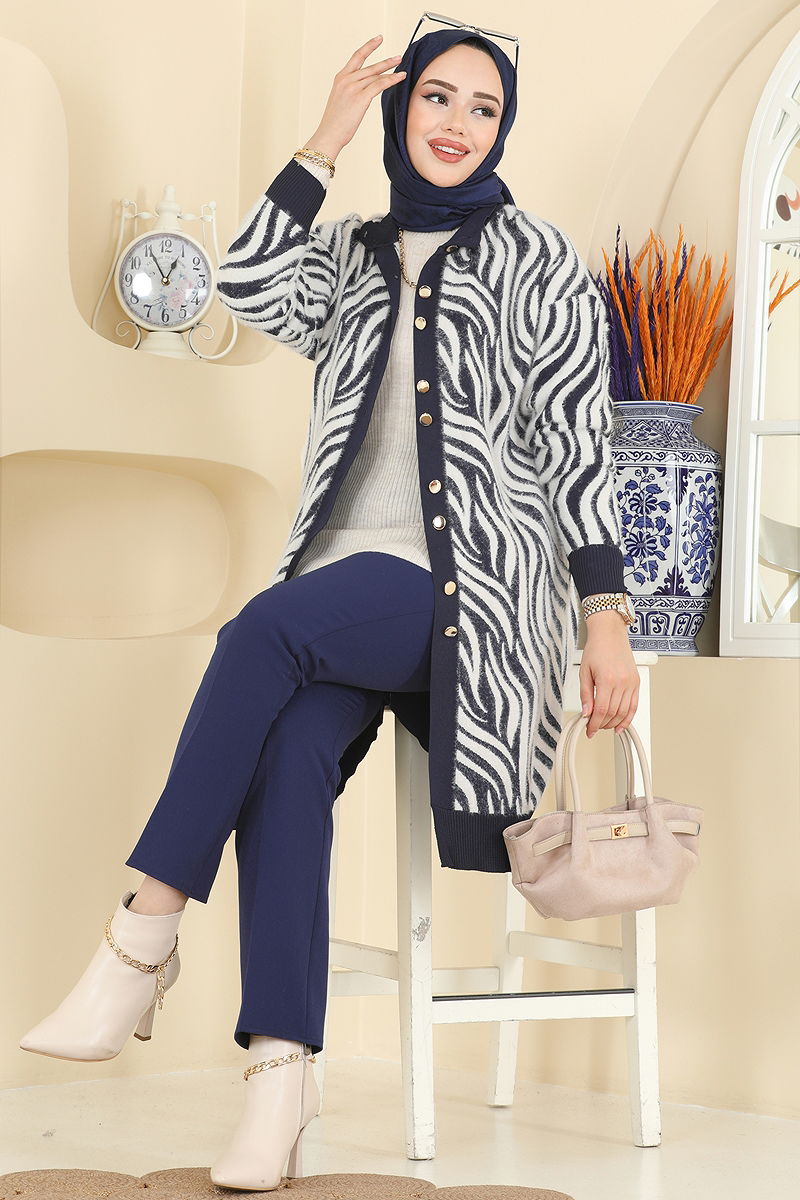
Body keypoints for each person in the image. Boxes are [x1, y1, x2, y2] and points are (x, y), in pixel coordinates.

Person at [19, 21, 639, 1193]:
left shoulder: (539, 258)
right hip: (340, 588)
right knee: (287, 753)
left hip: (474, 590)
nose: (457, 124)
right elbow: (245, 282)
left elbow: (577, 443)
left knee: (258, 628)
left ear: (504, 129)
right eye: (436, 98)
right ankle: (280, 1076)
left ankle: (141, 934)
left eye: (483, 108)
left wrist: (602, 613)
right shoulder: (352, 253)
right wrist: (324, 137)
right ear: (400, 109)